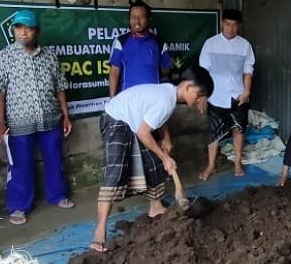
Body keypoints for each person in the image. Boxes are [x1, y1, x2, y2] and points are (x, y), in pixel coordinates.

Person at [92, 66, 215, 252]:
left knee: (153, 163)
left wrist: (166, 138)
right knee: (114, 174)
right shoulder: (167, 99)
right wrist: (164, 156)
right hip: (116, 120)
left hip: (132, 121)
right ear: (188, 87)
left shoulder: (169, 94)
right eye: (198, 95)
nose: (197, 101)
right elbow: (143, 132)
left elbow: (157, 117)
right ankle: (99, 233)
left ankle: (156, 207)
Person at [0, 9, 75, 226]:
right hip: (18, 123)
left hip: (50, 119)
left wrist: (65, 115)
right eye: (18, 27)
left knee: (55, 159)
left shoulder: (50, 56)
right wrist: (1, 125)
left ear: (37, 31)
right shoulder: (5, 57)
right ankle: (19, 205)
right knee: (20, 165)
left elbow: (60, 88)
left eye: (28, 28)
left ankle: (57, 195)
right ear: (14, 30)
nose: (23, 32)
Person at [198, 9, 256, 180]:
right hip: (216, 95)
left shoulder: (245, 45)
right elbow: (203, 72)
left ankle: (237, 161)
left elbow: (248, 70)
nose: (230, 28)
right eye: (227, 24)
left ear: (239, 26)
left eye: (234, 25)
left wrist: (247, 92)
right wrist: (202, 95)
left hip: (238, 95)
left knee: (239, 129)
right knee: (213, 132)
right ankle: (211, 165)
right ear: (222, 23)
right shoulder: (210, 44)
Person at [108, 0, 172, 97]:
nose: (137, 21)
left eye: (141, 17)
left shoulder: (159, 42)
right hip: (128, 99)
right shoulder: (121, 41)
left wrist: (153, 67)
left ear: (148, 19)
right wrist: (112, 99)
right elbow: (114, 71)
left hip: (153, 98)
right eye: (133, 17)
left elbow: (166, 70)